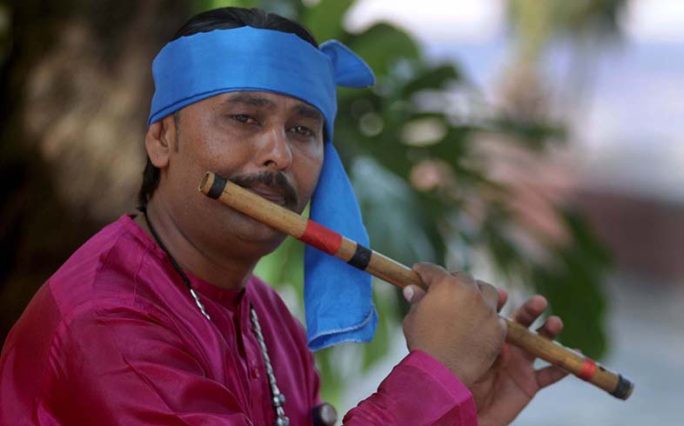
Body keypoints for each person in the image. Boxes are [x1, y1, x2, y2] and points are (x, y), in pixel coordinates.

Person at [0, 7, 567, 425]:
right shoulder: (109, 318)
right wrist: (434, 377)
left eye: (303, 129)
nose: (280, 153)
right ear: (161, 138)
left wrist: (467, 409)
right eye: (245, 118)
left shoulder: (268, 316)